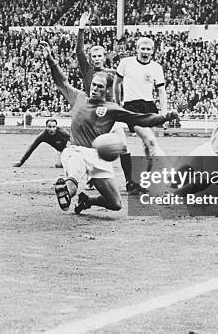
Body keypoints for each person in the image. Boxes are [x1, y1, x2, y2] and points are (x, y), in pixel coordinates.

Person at [40, 41, 179, 214]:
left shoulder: (112, 109)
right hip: (75, 150)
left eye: (99, 86)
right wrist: (50, 59)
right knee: (74, 176)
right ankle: (65, 192)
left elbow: (143, 119)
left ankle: (88, 200)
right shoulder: (78, 97)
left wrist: (164, 117)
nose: (94, 88)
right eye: (93, 84)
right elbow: (61, 80)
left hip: (97, 156)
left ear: (107, 90)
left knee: (115, 204)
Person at [75, 11, 130, 189]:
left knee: (123, 147)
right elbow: (79, 51)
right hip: (92, 116)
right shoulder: (87, 71)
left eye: (100, 56)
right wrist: (81, 28)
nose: (97, 59)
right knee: (93, 147)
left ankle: (130, 181)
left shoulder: (113, 74)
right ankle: (92, 178)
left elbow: (122, 86)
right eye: (94, 56)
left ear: (104, 57)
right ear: (91, 59)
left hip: (110, 116)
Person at [113, 37, 173, 193]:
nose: (145, 52)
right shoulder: (126, 63)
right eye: (143, 49)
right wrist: (118, 104)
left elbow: (161, 91)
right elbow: (116, 83)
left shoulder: (156, 67)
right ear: (137, 49)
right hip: (132, 107)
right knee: (152, 142)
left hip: (149, 106)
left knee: (148, 147)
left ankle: (144, 181)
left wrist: (164, 114)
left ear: (152, 51)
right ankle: (172, 176)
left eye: (148, 49)